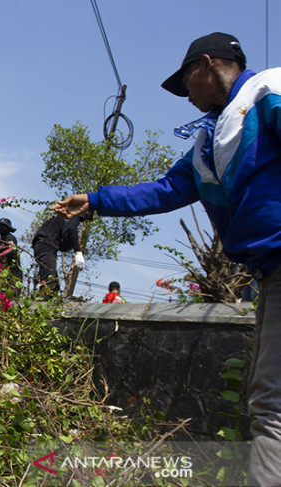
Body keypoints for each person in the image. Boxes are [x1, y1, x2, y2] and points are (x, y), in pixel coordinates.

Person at [51, 32, 281, 484]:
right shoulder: (210, 141)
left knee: (272, 407)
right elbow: (166, 190)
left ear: (207, 65)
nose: (187, 97)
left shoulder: (267, 92)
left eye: (186, 84)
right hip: (269, 271)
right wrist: (96, 200)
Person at [30, 215, 85, 296]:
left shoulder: (61, 220)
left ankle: (50, 297)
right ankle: (43, 298)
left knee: (54, 285)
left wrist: (71, 243)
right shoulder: (72, 215)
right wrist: (78, 251)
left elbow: (62, 247)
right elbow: (72, 228)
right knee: (48, 284)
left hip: (45, 246)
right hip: (45, 246)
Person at [0, 218, 23, 284]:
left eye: (3, 227)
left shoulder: (10, 238)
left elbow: (12, 250)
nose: (1, 229)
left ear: (8, 228)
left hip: (13, 272)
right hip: (2, 273)